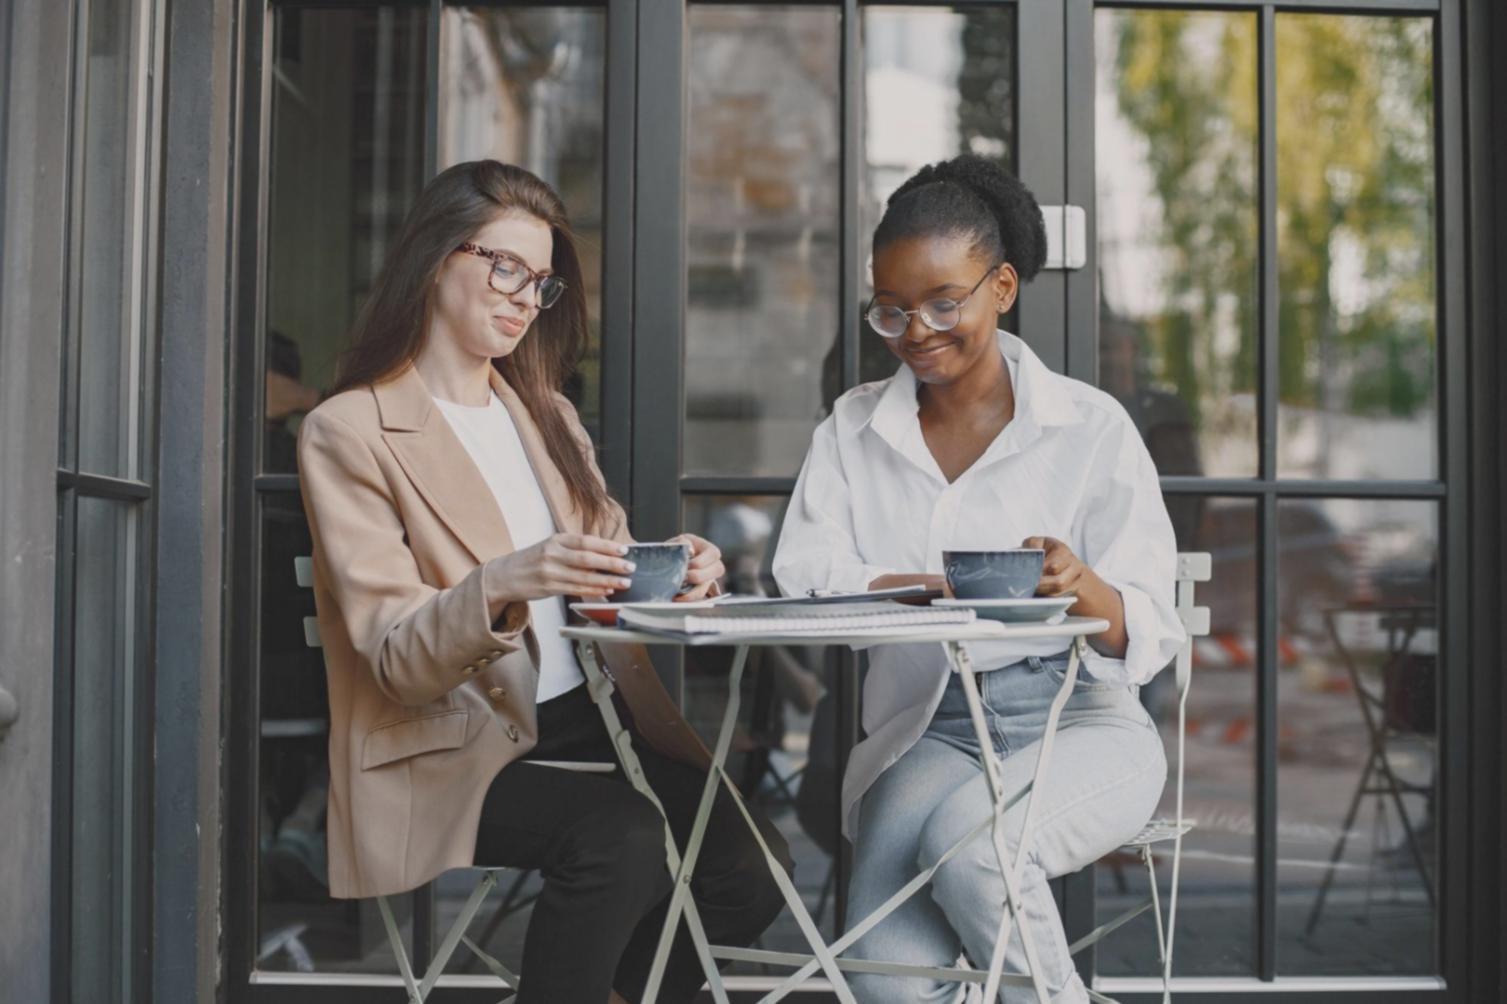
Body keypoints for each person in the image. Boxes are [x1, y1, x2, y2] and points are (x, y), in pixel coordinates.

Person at [297, 159, 788, 1003]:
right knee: (622, 840)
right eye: (506, 267)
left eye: (544, 282)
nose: (527, 297)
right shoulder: (349, 431)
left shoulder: (545, 415)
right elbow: (394, 658)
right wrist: (504, 582)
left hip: (588, 724)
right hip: (445, 744)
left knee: (749, 864)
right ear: (435, 258)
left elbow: (610, 565)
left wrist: (674, 568)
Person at [773, 154, 1186, 1002]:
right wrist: (936, 587)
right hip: (933, 727)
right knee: (882, 980)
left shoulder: (1088, 426)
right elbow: (805, 577)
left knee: (976, 853)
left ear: (1000, 287)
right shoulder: (852, 428)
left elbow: (1146, 625)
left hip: (1080, 720)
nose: (914, 330)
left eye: (940, 302)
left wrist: (1082, 586)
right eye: (890, 309)